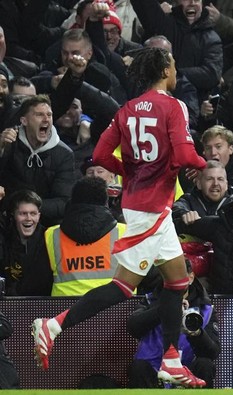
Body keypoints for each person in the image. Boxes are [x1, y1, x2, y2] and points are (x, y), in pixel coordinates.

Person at [31, 47, 208, 388]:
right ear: (164, 69)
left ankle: (171, 359)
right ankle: (53, 325)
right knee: (123, 286)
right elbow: (186, 153)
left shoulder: (126, 110)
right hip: (152, 206)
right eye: (173, 65)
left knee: (177, 282)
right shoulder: (174, 105)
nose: (175, 71)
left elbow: (98, 154)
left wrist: (129, 169)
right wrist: (204, 164)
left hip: (143, 202)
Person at [127, 259, 220, 388]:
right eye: (169, 277)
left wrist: (196, 332)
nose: (175, 281)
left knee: (205, 364)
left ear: (191, 277)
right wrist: (165, 309)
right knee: (138, 367)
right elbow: (133, 328)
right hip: (154, 367)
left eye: (180, 277)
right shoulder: (150, 300)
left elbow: (213, 352)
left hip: (189, 367)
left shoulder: (205, 308)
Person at [0, 95, 75, 227]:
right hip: (7, 216)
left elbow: (64, 201)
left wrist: (30, 209)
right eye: (39, 115)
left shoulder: (64, 154)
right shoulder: (9, 143)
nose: (46, 119)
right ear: (24, 121)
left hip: (44, 221)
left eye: (49, 115)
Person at [44, 176, 126, 296]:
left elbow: (40, 279)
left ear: (73, 201)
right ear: (105, 202)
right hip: (115, 307)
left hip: (64, 308)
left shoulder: (52, 234)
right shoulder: (124, 232)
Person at [0, 190, 52, 296]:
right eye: (23, 213)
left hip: (43, 301)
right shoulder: (4, 239)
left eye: (33, 213)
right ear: (14, 215)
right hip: (9, 302)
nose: (28, 218)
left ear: (39, 216)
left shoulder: (50, 239)